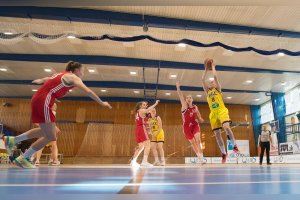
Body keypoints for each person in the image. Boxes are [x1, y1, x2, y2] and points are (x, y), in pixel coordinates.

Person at [3, 61, 112, 168]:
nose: (82, 74)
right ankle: (23, 158)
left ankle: (12, 140)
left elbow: (48, 79)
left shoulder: (61, 74)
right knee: (51, 136)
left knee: (47, 132)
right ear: (77, 70)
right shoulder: (73, 77)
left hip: (40, 99)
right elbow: (88, 91)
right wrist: (101, 102)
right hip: (43, 101)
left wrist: (41, 81)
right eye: (82, 71)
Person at [202, 58, 240, 164]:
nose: (211, 82)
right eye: (210, 82)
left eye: (212, 82)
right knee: (217, 135)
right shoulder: (207, 92)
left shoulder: (218, 89)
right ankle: (224, 153)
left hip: (222, 110)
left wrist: (213, 67)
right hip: (213, 114)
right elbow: (202, 80)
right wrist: (205, 69)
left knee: (226, 127)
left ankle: (234, 145)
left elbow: (215, 77)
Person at [176, 82, 205, 164]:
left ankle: (202, 158)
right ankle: (199, 157)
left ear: (192, 99)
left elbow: (200, 117)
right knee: (193, 143)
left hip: (195, 125)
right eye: (187, 98)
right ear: (185, 100)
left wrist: (199, 119)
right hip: (186, 127)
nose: (189, 98)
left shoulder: (195, 107)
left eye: (190, 97)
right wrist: (178, 87)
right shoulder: (184, 106)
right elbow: (181, 96)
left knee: (198, 140)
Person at [130, 100, 160, 168]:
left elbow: (147, 112)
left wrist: (148, 131)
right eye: (144, 104)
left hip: (138, 129)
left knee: (141, 147)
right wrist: (156, 103)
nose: (145, 106)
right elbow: (149, 109)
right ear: (140, 106)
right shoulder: (141, 110)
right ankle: (144, 162)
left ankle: (133, 161)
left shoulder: (138, 112)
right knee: (148, 144)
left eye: (145, 105)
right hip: (141, 128)